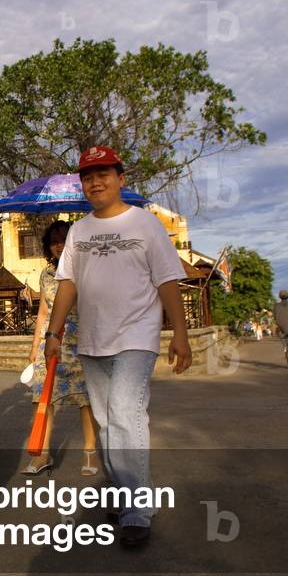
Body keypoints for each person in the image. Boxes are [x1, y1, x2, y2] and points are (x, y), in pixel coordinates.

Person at [44, 146, 192, 548]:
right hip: (93, 339)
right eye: (88, 177)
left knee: (126, 413)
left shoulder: (145, 223)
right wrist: (53, 334)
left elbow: (167, 281)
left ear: (121, 178)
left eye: (104, 174)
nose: (96, 182)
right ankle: (124, 492)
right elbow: (67, 284)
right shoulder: (79, 231)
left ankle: (137, 510)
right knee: (107, 421)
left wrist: (179, 334)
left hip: (136, 336)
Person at [23, 220, 100, 476]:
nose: (58, 246)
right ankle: (42, 453)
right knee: (42, 397)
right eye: (54, 241)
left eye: (64, 240)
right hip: (50, 341)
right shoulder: (46, 274)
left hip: (79, 340)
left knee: (85, 399)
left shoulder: (85, 269)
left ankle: (90, 451)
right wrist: (35, 346)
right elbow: (43, 312)